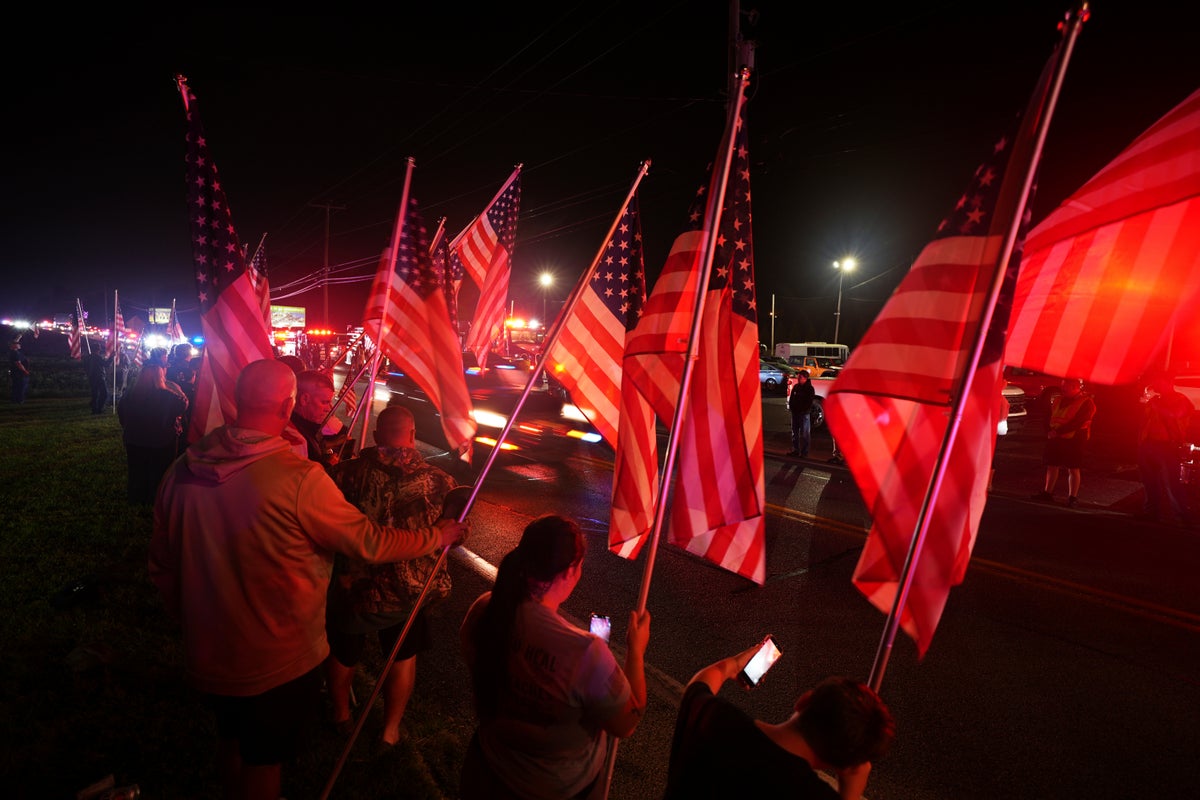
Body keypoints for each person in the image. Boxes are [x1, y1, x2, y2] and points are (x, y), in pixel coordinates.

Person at [148, 358, 468, 800]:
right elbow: (370, 543)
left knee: (230, 739)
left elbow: (162, 565)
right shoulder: (298, 480)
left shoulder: (180, 470)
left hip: (209, 651)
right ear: (287, 405)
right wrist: (437, 536)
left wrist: (191, 619)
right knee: (265, 760)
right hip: (277, 659)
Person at [460, 515, 651, 800]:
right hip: (553, 788)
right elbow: (626, 723)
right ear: (568, 572)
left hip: (487, 769)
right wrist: (635, 651)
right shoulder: (584, 652)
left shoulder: (486, 608)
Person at [323, 405, 459, 750]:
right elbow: (456, 535)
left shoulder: (344, 476)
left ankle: (340, 716)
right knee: (401, 656)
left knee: (343, 652)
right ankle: (390, 730)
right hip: (409, 592)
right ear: (412, 436)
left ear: (375, 436)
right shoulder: (442, 482)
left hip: (354, 586)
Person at [662, 643, 894, 800]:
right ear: (843, 765)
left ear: (804, 700)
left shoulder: (714, 720)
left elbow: (698, 687)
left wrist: (733, 665)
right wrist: (850, 792)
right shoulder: (812, 794)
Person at [117, 363, 189, 504]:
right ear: (160, 376)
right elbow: (183, 405)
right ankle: (158, 497)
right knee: (162, 471)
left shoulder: (130, 395)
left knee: (136, 470)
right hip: (162, 441)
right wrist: (178, 391)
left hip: (134, 440)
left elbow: (122, 415)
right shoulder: (167, 395)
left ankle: (136, 496)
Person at [1137, 372, 1195, 526]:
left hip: (1167, 446)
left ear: (1168, 382)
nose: (1155, 385)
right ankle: (1151, 512)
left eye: (1158, 381)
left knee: (1172, 483)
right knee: (1149, 481)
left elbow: (1174, 414)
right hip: (1149, 445)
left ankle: (1183, 517)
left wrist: (1155, 404)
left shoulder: (1180, 400)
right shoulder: (1156, 399)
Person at [1031, 377, 1096, 508]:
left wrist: (1056, 432)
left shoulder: (1087, 402)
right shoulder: (1058, 399)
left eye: (1065, 387)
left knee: (1073, 468)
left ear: (1075, 387)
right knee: (1052, 465)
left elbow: (1079, 422)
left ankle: (1073, 497)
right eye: (1062, 386)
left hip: (1075, 439)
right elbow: (1048, 416)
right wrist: (1049, 431)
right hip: (1055, 438)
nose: (1062, 389)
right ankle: (1047, 493)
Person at [290, 369, 355, 469]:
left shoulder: (308, 426)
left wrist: (331, 444)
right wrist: (328, 466)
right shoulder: (294, 437)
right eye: (324, 402)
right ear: (304, 399)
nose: (329, 409)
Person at [787, 369, 816, 457]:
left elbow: (809, 402)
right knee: (794, 432)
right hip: (795, 413)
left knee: (805, 434)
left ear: (805, 378)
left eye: (800, 377)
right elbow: (792, 398)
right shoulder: (796, 387)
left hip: (804, 414)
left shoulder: (809, 389)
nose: (798, 379)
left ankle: (804, 452)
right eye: (798, 377)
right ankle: (796, 450)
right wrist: (792, 408)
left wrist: (803, 410)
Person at [83, 348, 110, 414]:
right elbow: (106, 364)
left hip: (92, 378)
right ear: (97, 350)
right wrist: (112, 357)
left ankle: (94, 410)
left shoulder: (87, 358)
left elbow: (85, 367)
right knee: (104, 393)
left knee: (95, 394)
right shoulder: (97, 357)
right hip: (99, 377)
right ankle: (100, 408)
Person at [8, 337, 30, 404]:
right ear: (14, 346)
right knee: (20, 387)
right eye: (17, 344)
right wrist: (25, 371)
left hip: (17, 373)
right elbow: (18, 363)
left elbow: (15, 340)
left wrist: (20, 335)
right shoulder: (15, 353)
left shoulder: (15, 352)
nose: (19, 344)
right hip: (20, 373)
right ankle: (19, 400)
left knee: (16, 386)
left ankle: (15, 400)